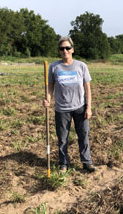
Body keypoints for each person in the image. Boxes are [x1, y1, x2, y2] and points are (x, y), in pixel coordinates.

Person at [43, 36, 96, 173]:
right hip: (61, 109)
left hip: (80, 107)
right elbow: (50, 86)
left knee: (83, 135)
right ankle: (63, 164)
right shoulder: (54, 67)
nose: (65, 50)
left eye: (67, 48)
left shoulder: (81, 66)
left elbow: (87, 88)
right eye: (62, 48)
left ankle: (86, 162)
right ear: (59, 51)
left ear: (72, 49)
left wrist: (89, 107)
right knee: (62, 138)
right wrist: (48, 99)